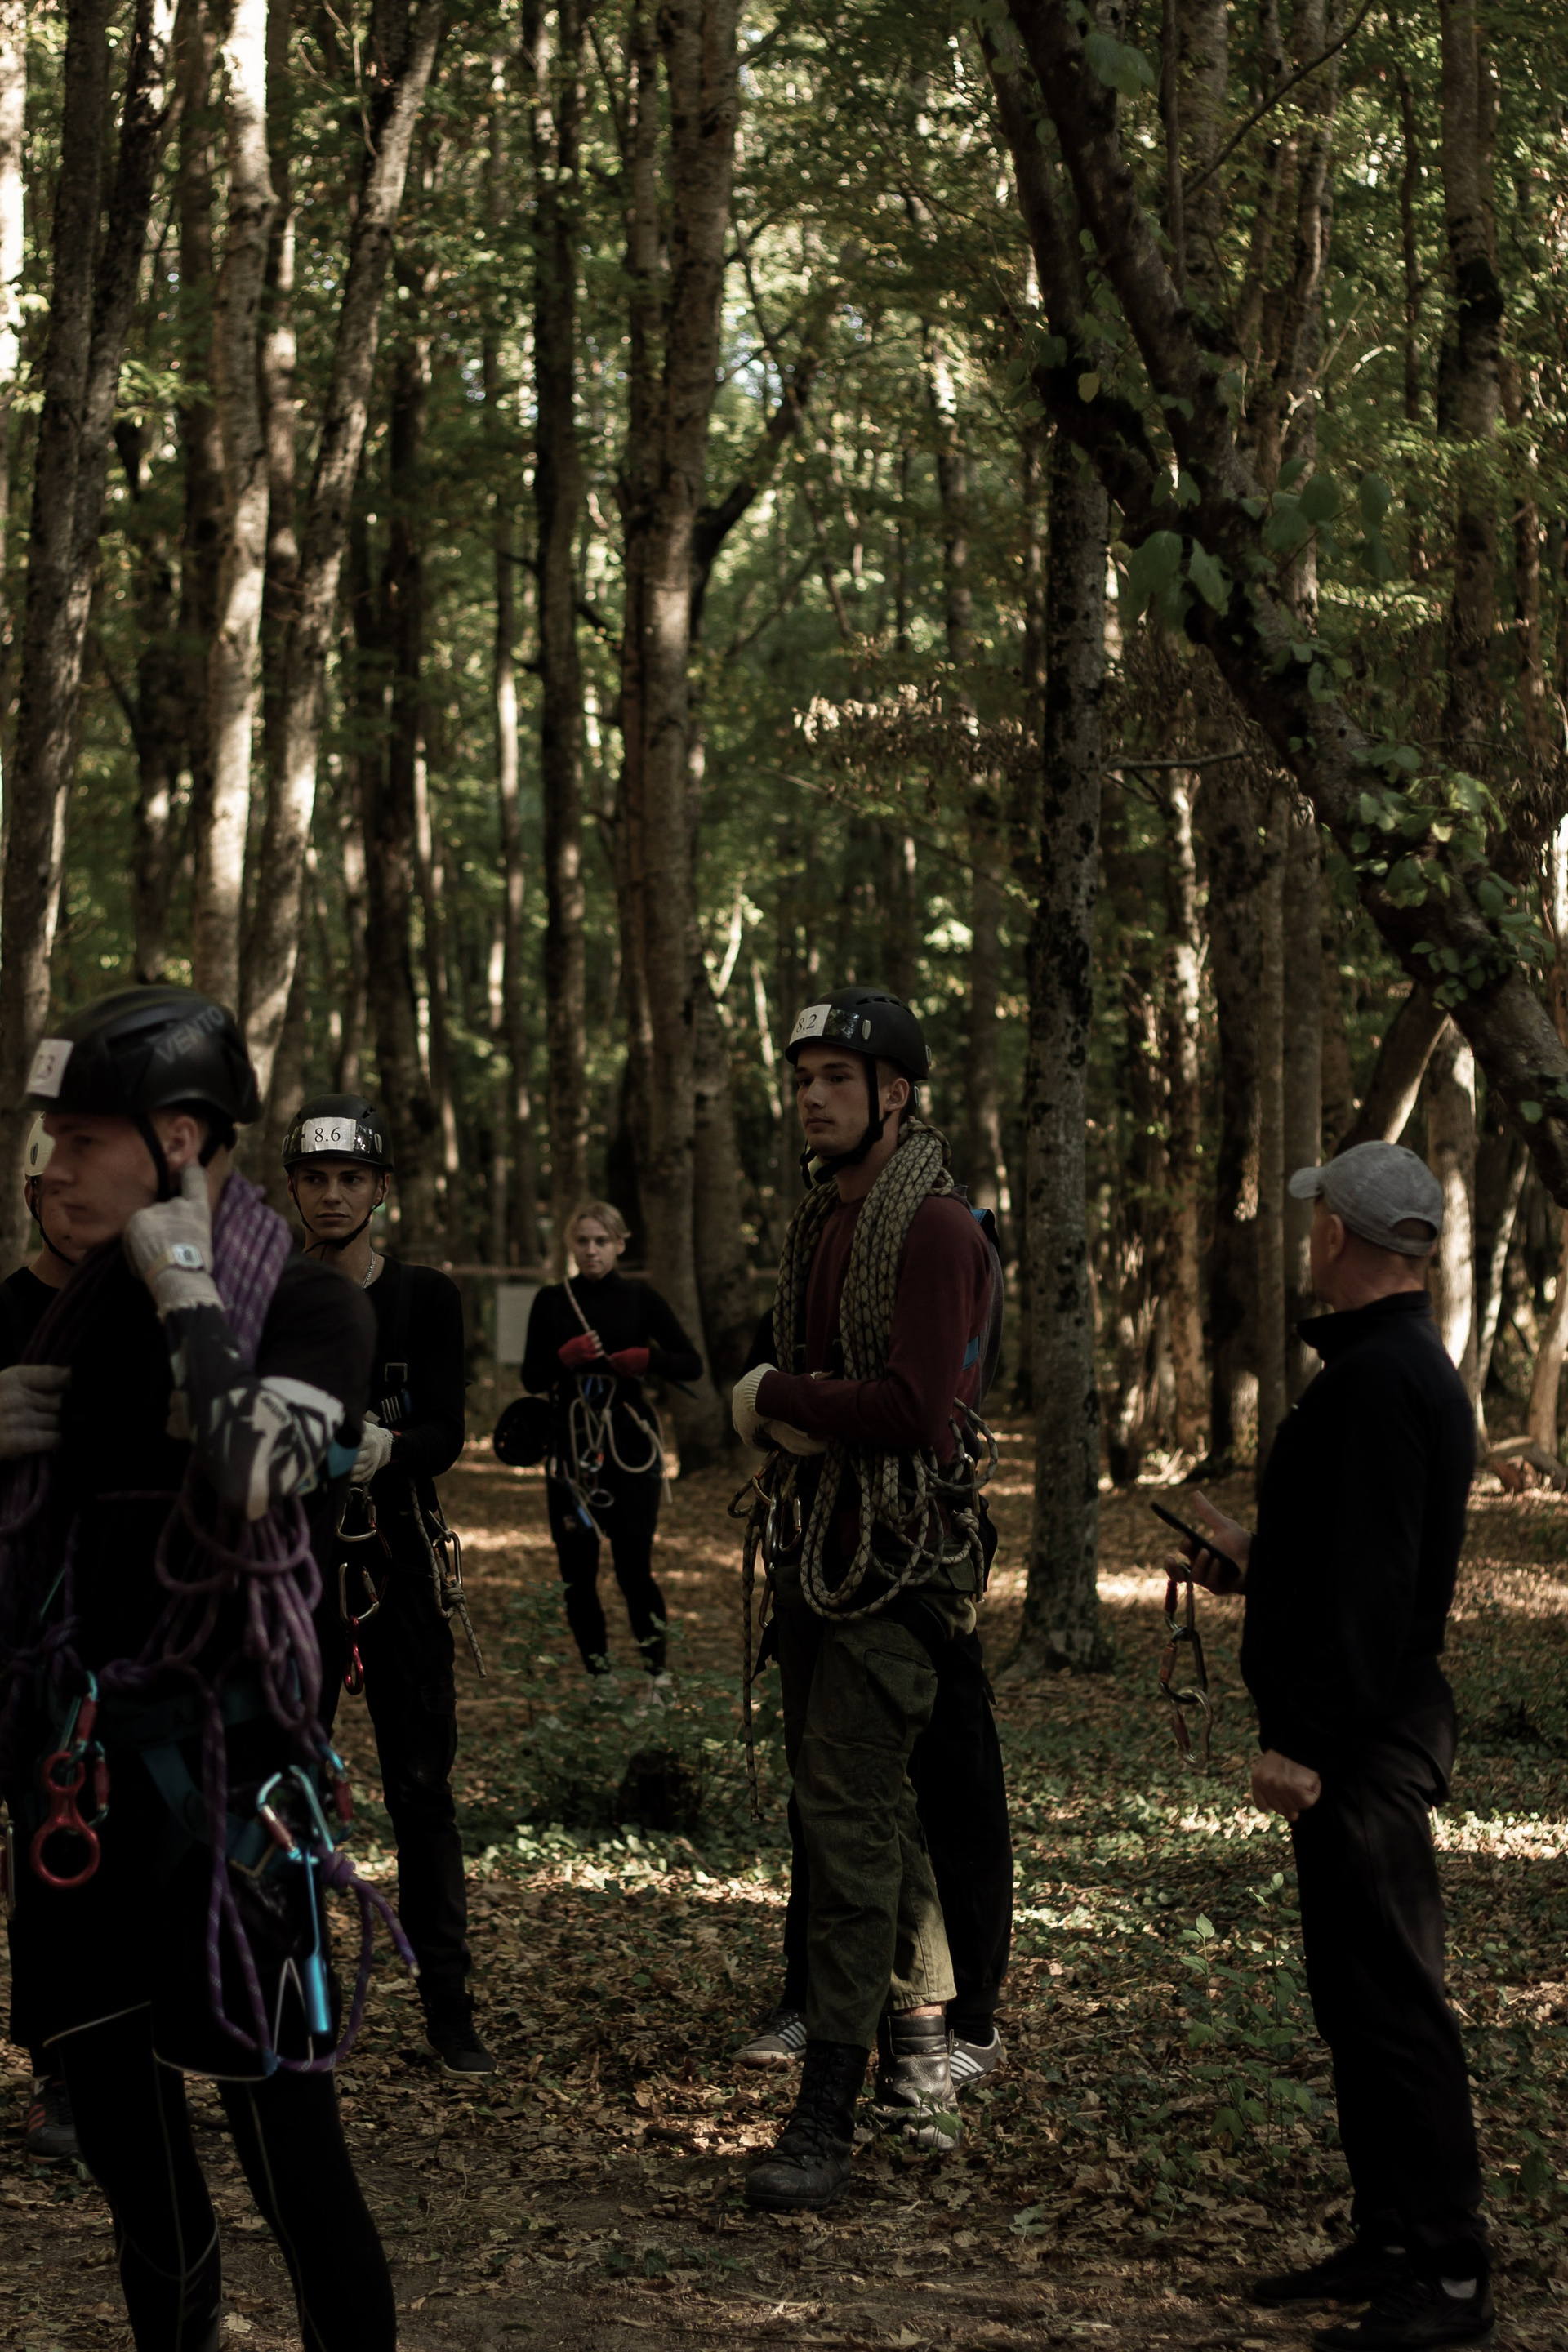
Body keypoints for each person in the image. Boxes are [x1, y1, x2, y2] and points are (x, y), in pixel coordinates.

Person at [0, 986, 399, 2351]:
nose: (53, 1168)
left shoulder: (306, 1306)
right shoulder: (58, 1316)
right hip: (76, 1790)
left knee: (293, 2153)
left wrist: (189, 1295)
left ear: (178, 1140)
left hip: (230, 1796)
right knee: (131, 2163)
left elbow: (253, 1471)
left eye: (83, 1140)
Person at [1169, 1141, 1491, 2350]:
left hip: (1364, 1736)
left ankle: (1449, 2274)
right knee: (1355, 2002)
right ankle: (1393, 2235)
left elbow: (1378, 1592)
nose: (1310, 1237)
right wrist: (1261, 1565)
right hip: (1364, 1722)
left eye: (1317, 1222)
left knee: (1396, 2004)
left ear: (1339, 1236)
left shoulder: (1381, 1379)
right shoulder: (1387, 1368)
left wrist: (1301, 1740)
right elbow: (1351, 1555)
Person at [732, 987, 1000, 2212]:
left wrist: (780, 1398)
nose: (814, 1098)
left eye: (838, 1077)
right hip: (825, 1551)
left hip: (895, 1568)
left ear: (896, 1095)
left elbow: (915, 1409)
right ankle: (923, 2053)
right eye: (804, 1079)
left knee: (845, 1824)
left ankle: (825, 2113)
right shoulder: (827, 1221)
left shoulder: (934, 1229)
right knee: (871, 1813)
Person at [734, 1307, 1013, 2096]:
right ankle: (811, 1994)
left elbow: (919, 1404)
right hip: (823, 1546)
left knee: (954, 1786)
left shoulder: (947, 1259)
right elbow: (757, 1389)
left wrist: (799, 1400)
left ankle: (972, 2019)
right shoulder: (808, 1277)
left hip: (923, 1551)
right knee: (829, 1790)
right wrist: (787, 1403)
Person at [283, 1091, 492, 2077]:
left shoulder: (425, 1297)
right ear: (293, 1189)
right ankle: (302, 1998)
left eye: (351, 1178)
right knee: (289, 1789)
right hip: (291, 1567)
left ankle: (449, 2006)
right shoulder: (268, 1300)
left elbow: (447, 1428)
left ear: (380, 1190)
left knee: (421, 1787)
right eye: (316, 1179)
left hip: (397, 1560)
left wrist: (390, 1448)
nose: (333, 1195)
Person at [519, 1200, 702, 1702]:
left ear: (620, 1244)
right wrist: (563, 1358)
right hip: (571, 1447)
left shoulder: (641, 1298)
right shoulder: (551, 1301)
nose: (592, 1251)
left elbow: (691, 1364)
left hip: (630, 1446)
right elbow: (532, 1376)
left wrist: (648, 1358)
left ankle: (657, 1677)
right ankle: (600, 1680)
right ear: (570, 1246)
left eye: (602, 1241)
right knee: (578, 1575)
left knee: (633, 1568)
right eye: (582, 1241)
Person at [0, 1118, 87, 2162]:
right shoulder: (5, 1313)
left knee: (61, 1850)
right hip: (9, 1620)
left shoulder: (147, 1322)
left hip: (98, 1637)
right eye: (57, 1191)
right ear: (30, 1198)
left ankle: (70, 2070)